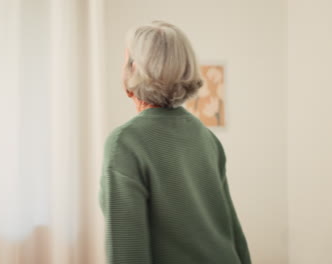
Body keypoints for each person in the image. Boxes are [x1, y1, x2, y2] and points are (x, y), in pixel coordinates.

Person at [99, 20, 251, 264]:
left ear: (135, 68)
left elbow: (127, 252)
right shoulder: (206, 136)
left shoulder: (124, 143)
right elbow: (233, 232)